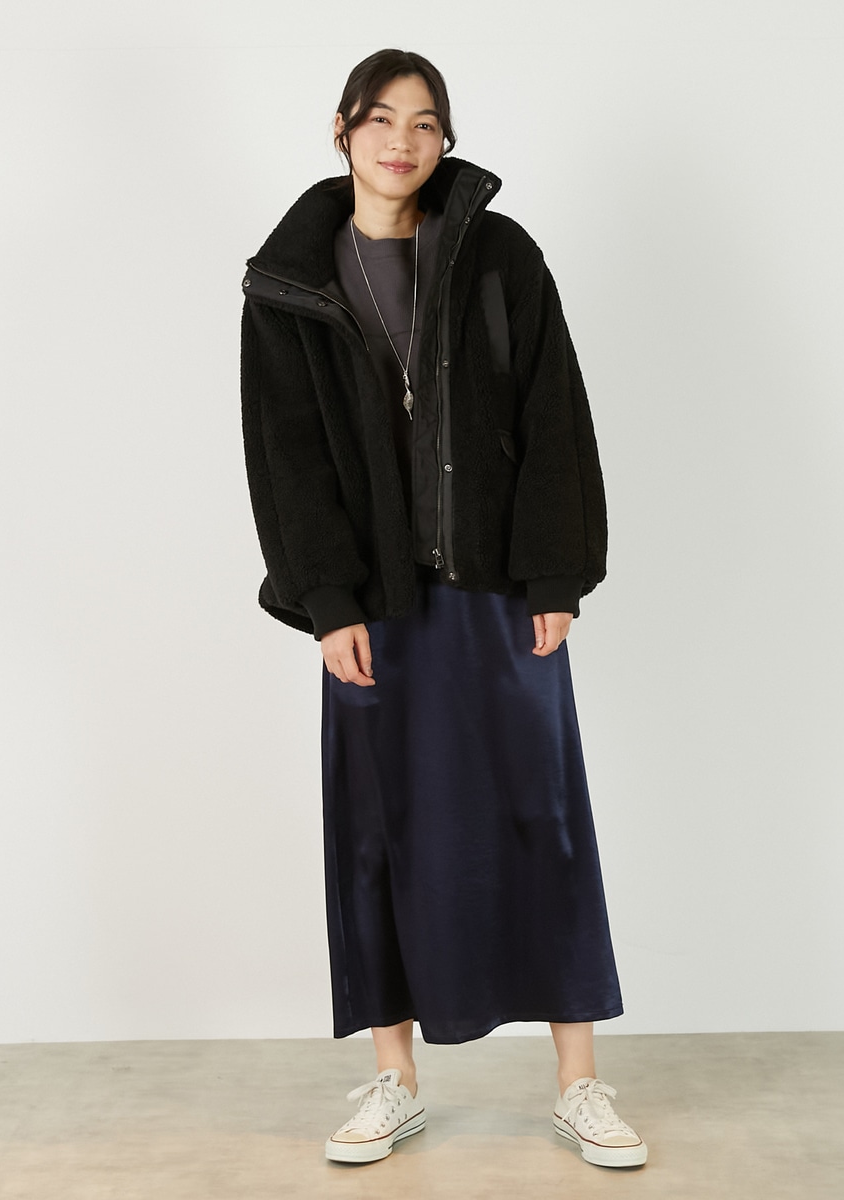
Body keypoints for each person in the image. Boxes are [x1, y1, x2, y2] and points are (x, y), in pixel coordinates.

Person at [240, 48, 646, 1171]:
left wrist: (555, 574)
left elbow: (555, 409)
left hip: (499, 586)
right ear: (341, 130)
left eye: (425, 124)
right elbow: (285, 457)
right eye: (381, 119)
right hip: (373, 599)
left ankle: (579, 1083)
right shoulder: (288, 282)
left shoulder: (498, 255)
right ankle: (395, 1079)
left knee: (542, 815)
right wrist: (327, 601)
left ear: (445, 140)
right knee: (378, 830)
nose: (402, 142)